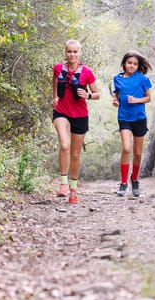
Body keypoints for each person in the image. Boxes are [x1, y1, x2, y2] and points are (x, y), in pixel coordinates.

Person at [52, 39, 99, 204]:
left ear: (79, 53)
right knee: (64, 144)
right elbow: (55, 84)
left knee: (75, 153)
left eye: (75, 51)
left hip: (80, 114)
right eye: (69, 51)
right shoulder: (58, 68)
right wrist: (55, 98)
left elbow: (97, 93)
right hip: (61, 111)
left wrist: (88, 95)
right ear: (65, 52)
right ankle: (63, 184)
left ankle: (73, 188)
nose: (72, 54)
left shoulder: (87, 72)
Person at [112, 51, 152, 197]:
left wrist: (136, 100)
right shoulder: (117, 79)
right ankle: (123, 183)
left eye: (135, 64)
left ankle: (134, 179)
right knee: (127, 148)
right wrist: (115, 101)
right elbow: (116, 95)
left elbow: (148, 98)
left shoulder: (142, 79)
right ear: (124, 64)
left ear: (138, 66)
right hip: (124, 118)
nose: (132, 66)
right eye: (129, 63)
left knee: (137, 152)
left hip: (140, 118)